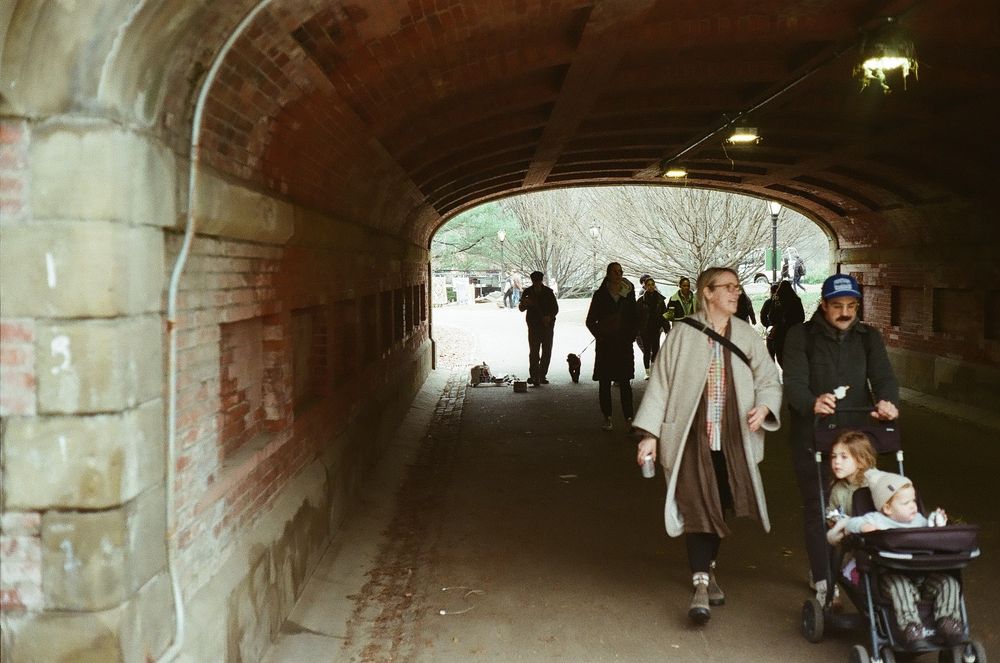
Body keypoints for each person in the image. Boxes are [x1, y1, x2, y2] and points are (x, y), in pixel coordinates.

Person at [633, 267, 782, 625]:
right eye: (728, 287)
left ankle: (708, 567)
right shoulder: (682, 334)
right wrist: (649, 435)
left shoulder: (746, 334)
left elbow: (768, 379)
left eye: (737, 287)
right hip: (690, 437)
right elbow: (661, 385)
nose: (735, 292)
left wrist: (765, 406)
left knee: (721, 503)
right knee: (698, 504)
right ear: (707, 293)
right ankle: (701, 581)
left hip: (732, 439)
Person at [782, 273, 900, 606]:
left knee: (859, 505)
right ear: (823, 305)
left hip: (855, 438)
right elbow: (793, 382)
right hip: (813, 436)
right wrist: (811, 402)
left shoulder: (868, 337)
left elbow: (884, 377)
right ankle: (823, 578)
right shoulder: (801, 336)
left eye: (851, 306)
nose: (845, 312)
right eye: (837, 306)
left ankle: (858, 573)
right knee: (819, 506)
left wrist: (888, 402)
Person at [834, 470, 964, 647]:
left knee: (949, 582)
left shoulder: (918, 520)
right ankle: (911, 628)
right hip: (890, 578)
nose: (913, 506)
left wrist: (937, 522)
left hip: (923, 578)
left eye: (913, 501)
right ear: (887, 508)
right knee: (899, 586)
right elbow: (850, 523)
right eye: (906, 503)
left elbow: (930, 531)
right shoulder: (877, 520)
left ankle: (948, 622)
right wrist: (864, 526)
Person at [585, 262, 638, 430]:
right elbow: (590, 321)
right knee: (605, 382)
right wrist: (600, 336)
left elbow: (634, 316)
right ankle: (607, 417)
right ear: (608, 274)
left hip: (623, 343)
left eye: (621, 271)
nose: (619, 274)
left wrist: (632, 335)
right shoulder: (600, 295)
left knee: (625, 381)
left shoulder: (628, 293)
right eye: (615, 272)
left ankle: (629, 417)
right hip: (606, 344)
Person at [518, 271, 559, 386]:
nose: (536, 283)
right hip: (533, 326)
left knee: (546, 351)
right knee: (534, 352)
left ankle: (542, 375)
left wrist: (549, 317)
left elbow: (555, 308)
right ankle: (534, 376)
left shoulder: (548, 292)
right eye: (534, 281)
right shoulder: (527, 292)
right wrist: (525, 304)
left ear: (541, 281)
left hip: (547, 325)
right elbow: (521, 308)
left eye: (538, 281)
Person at [636, 277, 669, 379]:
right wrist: (637, 330)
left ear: (654, 285)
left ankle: (653, 369)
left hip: (656, 328)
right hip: (645, 329)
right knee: (647, 350)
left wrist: (667, 328)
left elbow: (664, 315)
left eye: (652, 284)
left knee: (655, 349)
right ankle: (647, 372)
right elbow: (637, 316)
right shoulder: (640, 300)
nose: (651, 287)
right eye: (648, 285)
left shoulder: (660, 299)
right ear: (645, 286)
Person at [769, 279, 805, 367]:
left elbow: (771, 316)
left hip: (780, 333)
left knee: (777, 353)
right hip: (794, 332)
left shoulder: (776, 301)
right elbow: (802, 317)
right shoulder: (796, 300)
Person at [759, 283, 780, 360]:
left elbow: (762, 315)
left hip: (771, 331)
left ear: (771, 292)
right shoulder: (784, 302)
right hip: (782, 331)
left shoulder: (768, 302)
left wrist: (767, 325)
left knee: (770, 354)